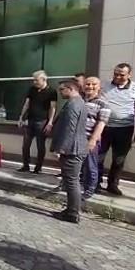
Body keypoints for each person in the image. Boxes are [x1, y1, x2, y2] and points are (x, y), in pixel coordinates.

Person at [99, 63, 135, 195]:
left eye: (122, 74)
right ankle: (94, 182)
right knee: (98, 156)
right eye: (116, 74)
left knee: (119, 159)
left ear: (129, 75)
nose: (118, 77)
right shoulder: (104, 85)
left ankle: (112, 185)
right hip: (104, 127)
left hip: (124, 129)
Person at [50, 80, 88, 223]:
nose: (60, 93)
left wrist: (61, 148)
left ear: (71, 88)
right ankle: (70, 210)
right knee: (71, 180)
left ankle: (72, 213)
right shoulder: (78, 102)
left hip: (73, 148)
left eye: (62, 90)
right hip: (75, 147)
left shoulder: (74, 104)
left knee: (72, 181)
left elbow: (70, 129)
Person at [17, 70, 57, 174]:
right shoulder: (32, 90)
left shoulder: (51, 91)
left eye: (36, 80)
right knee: (25, 145)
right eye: (34, 80)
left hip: (42, 121)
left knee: (40, 145)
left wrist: (50, 122)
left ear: (44, 80)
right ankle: (25, 165)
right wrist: (21, 117)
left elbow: (52, 108)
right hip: (30, 120)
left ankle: (38, 167)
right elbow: (27, 103)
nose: (34, 82)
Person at [81, 77, 111, 200]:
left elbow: (101, 123)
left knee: (90, 166)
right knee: (76, 165)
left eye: (94, 84)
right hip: (77, 138)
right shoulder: (80, 100)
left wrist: (93, 140)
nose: (90, 86)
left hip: (90, 139)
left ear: (99, 87)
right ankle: (73, 186)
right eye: (87, 84)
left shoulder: (103, 103)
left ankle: (90, 189)